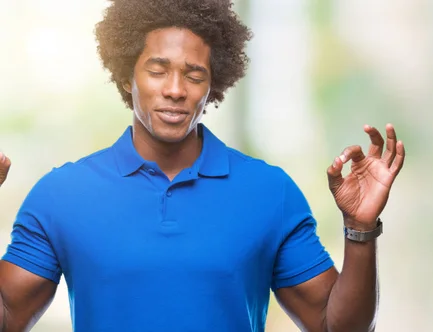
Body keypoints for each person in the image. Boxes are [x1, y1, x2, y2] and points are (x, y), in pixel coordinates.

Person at [0, 1, 405, 331]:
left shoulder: (268, 191)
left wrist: (361, 229)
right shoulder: (61, 195)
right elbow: (7, 318)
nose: (175, 90)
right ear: (127, 77)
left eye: (194, 75)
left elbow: (337, 328)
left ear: (213, 86)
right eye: (157, 71)